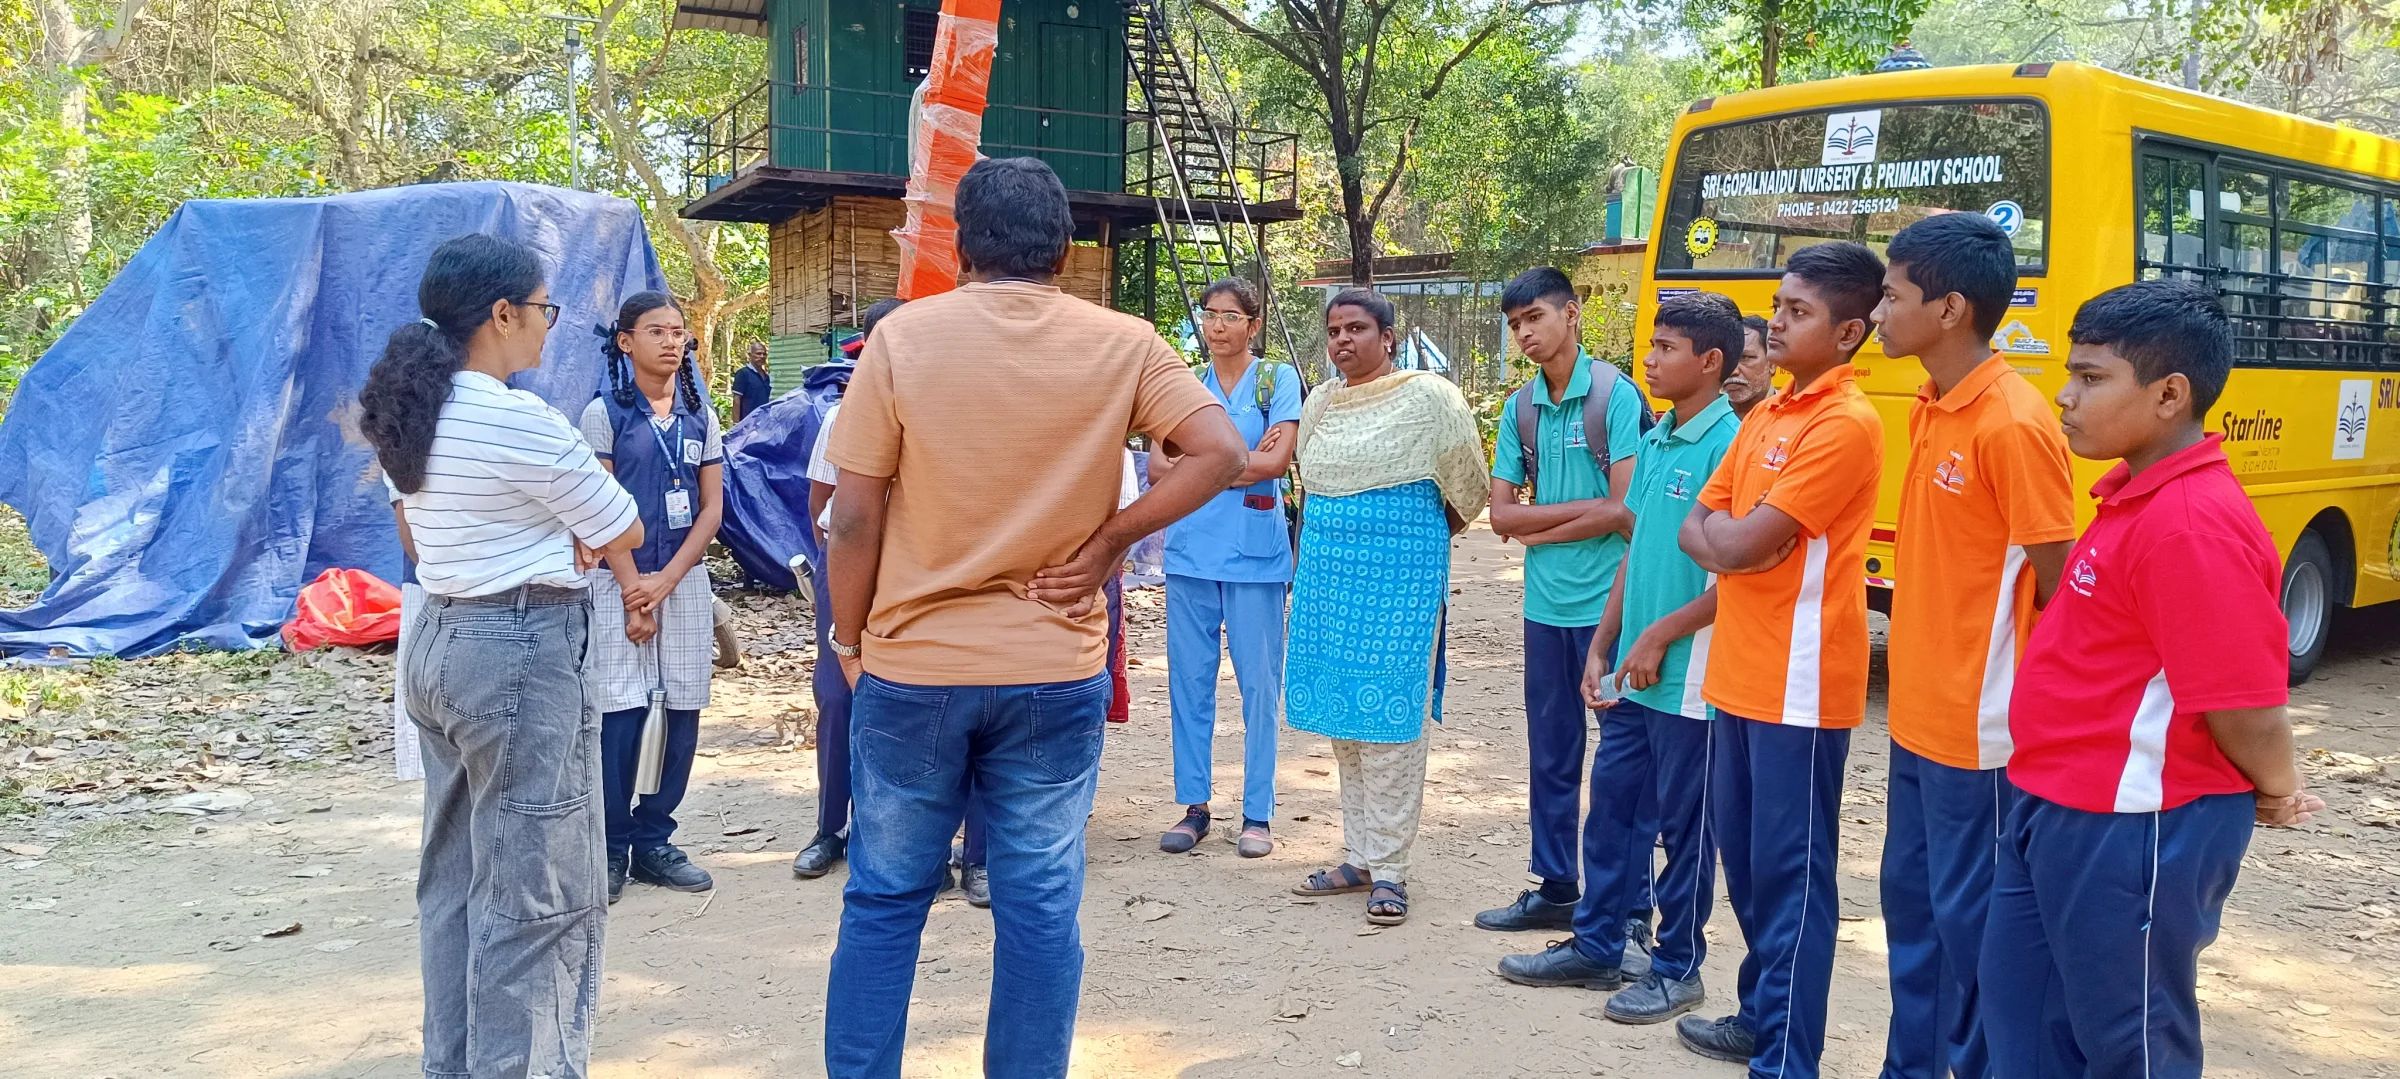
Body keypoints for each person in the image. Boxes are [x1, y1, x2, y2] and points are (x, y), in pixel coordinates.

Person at [819, 156, 1245, 1079]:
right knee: (1040, 905)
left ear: (961, 247)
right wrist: (1110, 544)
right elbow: (1220, 451)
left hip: (915, 669)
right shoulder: (1126, 343)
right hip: (1055, 668)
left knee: (885, 900)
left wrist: (849, 641)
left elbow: (851, 518)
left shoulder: (902, 340)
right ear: (1064, 250)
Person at [1982, 280, 2324, 1077]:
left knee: (2130, 1042)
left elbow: (2245, 705)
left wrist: (2277, 788)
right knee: (2022, 1020)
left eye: (2091, 377)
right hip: (2057, 802)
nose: (2065, 396)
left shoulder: (2191, 523)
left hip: (2135, 823)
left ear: (2170, 394)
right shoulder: (2135, 498)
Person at [362, 233, 644, 1079]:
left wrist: (553, 530)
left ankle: (453, 1064)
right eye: (543, 308)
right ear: (501, 313)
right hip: (519, 650)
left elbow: (417, 535)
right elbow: (623, 526)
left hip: (438, 640)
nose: (548, 325)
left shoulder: (412, 412)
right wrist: (565, 530)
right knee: (537, 893)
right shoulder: (518, 418)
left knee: (454, 878)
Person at [1494, 291, 1744, 1026]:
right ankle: (1598, 943)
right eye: (1652, 345)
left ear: (1710, 361)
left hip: (1689, 675)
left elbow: (1737, 581)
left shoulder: (1729, 445)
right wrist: (1604, 643)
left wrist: (1660, 636)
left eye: (1666, 348)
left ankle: (1676, 967)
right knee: (1611, 811)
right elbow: (1636, 550)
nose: (1650, 360)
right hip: (1634, 668)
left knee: (1685, 828)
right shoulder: (1662, 437)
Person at [1673, 241, 1887, 1074]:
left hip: (1800, 684)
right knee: (1751, 870)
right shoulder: (1767, 413)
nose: (1777, 321)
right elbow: (1701, 525)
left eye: (1799, 311)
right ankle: (1759, 1016)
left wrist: (1736, 541)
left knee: (1792, 880)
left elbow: (1735, 538)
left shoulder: (1845, 423)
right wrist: (1738, 543)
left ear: (1848, 332)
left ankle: (1786, 1057)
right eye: (1779, 306)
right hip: (1738, 673)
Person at [1870, 213, 2075, 1079]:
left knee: (1977, 933)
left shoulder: (2013, 422)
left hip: (1981, 733)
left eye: (1892, 295)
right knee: (1913, 915)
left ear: (1950, 308)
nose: (1878, 311)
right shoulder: (1932, 402)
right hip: (1917, 719)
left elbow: (2060, 579)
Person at [1285, 288, 1489, 928]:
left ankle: (1392, 870)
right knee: (1346, 723)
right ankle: (1359, 858)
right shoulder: (1320, 403)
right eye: (1334, 331)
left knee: (1392, 726)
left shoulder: (1430, 398)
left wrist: (1410, 541)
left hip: (1399, 587)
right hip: (1328, 584)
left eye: (1357, 329)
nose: (1343, 340)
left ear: (1388, 338)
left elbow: (1469, 489)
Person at [1476, 266, 1646, 936]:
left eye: (1535, 318)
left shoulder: (1614, 396)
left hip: (1612, 606)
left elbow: (1627, 510)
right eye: (1516, 324)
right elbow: (1499, 515)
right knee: (1550, 751)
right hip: (1544, 606)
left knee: (1622, 759)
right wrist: (1584, 514)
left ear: (1571, 314)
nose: (1525, 334)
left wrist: (1539, 525)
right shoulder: (1520, 407)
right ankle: (1555, 884)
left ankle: (1629, 904)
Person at [581, 291, 726, 902]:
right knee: (621, 712)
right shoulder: (603, 414)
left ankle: (654, 839)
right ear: (625, 342)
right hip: (618, 582)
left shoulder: (701, 416)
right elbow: (599, 509)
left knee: (683, 707)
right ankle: (612, 845)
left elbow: (711, 509)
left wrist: (666, 582)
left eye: (678, 332)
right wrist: (634, 592)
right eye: (656, 331)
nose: (671, 342)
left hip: (682, 583)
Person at [1151, 277, 1301, 858]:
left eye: (1231, 316)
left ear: (1253, 324)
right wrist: (1242, 460)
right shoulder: (1186, 385)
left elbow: (1277, 462)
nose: (1217, 325)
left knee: (1259, 686)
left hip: (1255, 558)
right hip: (1190, 553)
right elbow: (1159, 469)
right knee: (1189, 682)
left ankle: (1257, 813)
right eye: (1210, 314)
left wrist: (1204, 466)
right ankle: (1194, 806)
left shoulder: (1275, 381)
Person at [792, 298, 905, 883]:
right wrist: (840, 569)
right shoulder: (840, 417)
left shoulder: (935, 412)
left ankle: (890, 830)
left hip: (912, 573)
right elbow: (822, 505)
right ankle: (830, 827)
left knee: (907, 697)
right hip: (848, 568)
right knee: (839, 696)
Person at [1726, 314, 1773, 419]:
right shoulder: (1699, 418)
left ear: (1772, 364)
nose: (1733, 371)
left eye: (1745, 358)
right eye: (1726, 359)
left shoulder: (1795, 417)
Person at [732, 340, 772, 421]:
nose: (762, 356)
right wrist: (736, 423)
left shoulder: (766, 376)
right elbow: (736, 399)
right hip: (748, 422)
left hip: (763, 421)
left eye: (764, 354)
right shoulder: (743, 374)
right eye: (758, 353)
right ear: (750, 355)